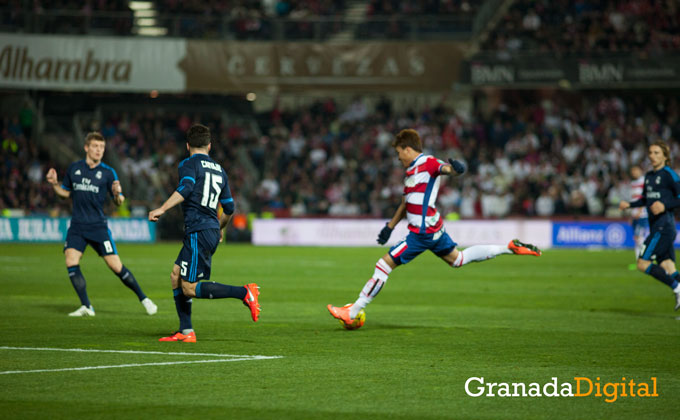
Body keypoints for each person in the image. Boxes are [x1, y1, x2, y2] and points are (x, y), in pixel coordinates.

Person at [327, 129, 541, 326]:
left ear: (408, 149)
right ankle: (509, 247)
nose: (398, 157)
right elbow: (405, 204)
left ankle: (353, 312)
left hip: (422, 233)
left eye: (399, 152)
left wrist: (457, 169)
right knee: (458, 259)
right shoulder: (410, 172)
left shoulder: (428, 162)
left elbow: (446, 169)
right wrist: (389, 227)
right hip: (434, 228)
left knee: (383, 266)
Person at [149, 123, 260, 343]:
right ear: (209, 146)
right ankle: (186, 330)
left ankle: (244, 293)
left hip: (198, 230)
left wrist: (162, 208)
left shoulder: (188, 164)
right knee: (176, 275)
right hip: (208, 229)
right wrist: (219, 228)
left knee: (188, 288)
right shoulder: (220, 170)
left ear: (187, 145)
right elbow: (229, 208)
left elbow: (186, 187)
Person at [46, 132, 157, 317]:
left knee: (116, 267)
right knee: (70, 261)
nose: (99, 150)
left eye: (102, 147)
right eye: (96, 146)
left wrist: (117, 194)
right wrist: (54, 184)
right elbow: (64, 194)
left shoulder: (108, 172)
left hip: (98, 227)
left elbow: (119, 201)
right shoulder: (74, 168)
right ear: (86, 148)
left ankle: (144, 299)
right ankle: (87, 306)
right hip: (78, 226)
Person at [619, 141, 680, 310]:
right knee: (668, 267)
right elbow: (646, 199)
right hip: (657, 226)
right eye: (651, 152)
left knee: (642, 263)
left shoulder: (669, 175)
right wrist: (630, 205)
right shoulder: (649, 176)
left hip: (664, 226)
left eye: (656, 153)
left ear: (665, 156)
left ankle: (677, 288)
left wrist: (665, 205)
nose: (652, 156)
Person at [629, 165, 649, 270]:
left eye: (635, 170)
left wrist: (640, 210)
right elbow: (633, 200)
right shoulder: (633, 184)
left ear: (640, 170)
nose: (634, 172)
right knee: (636, 239)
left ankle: (647, 258)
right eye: (632, 171)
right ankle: (638, 262)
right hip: (635, 215)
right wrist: (632, 215)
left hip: (642, 215)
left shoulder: (644, 181)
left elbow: (645, 198)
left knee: (639, 238)